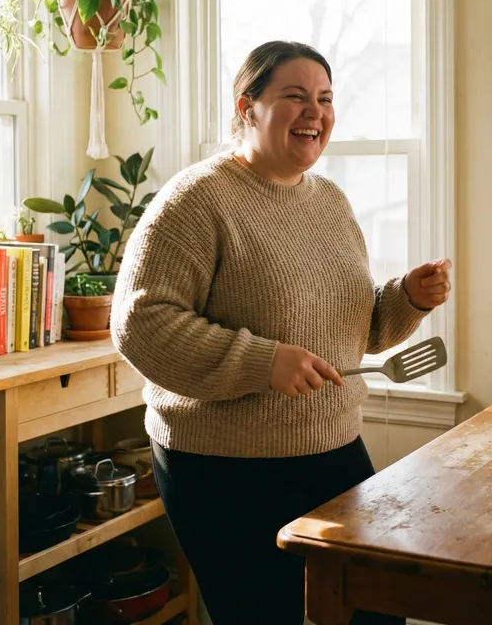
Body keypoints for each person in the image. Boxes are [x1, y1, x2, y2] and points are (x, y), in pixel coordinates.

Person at [111, 40, 452, 625]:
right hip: (222, 462)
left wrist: (405, 299)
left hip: (332, 443)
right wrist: (260, 362)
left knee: (375, 608)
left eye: (324, 98)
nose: (315, 112)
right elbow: (140, 323)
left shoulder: (331, 202)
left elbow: (357, 330)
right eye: (295, 97)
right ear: (247, 108)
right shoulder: (198, 199)